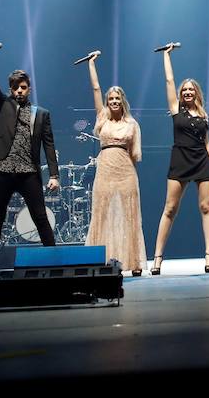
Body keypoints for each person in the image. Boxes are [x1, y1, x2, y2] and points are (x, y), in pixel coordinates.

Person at [0, 40, 59, 268]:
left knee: (40, 218)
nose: (19, 91)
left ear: (29, 88)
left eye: (23, 87)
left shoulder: (41, 114)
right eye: (15, 88)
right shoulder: (4, 106)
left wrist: (54, 175)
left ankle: (54, 263)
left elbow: (49, 145)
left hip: (28, 173)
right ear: (11, 90)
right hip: (4, 171)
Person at [150, 43, 209, 275]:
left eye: (191, 90)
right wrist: (166, 57)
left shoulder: (204, 115)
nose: (187, 92)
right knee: (170, 208)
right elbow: (169, 82)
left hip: (202, 160)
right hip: (180, 158)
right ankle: (157, 258)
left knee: (206, 206)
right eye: (184, 90)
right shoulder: (176, 110)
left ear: (196, 93)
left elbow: (207, 143)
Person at [83, 51, 147, 276]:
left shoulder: (132, 124)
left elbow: (133, 155)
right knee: (102, 212)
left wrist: (132, 177)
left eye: (117, 99)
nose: (113, 102)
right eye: (110, 100)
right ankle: (99, 260)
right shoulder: (102, 118)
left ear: (123, 102)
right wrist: (91, 64)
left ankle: (134, 262)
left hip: (126, 170)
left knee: (129, 213)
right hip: (105, 168)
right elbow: (96, 89)